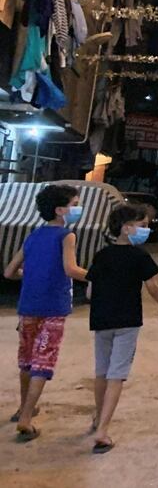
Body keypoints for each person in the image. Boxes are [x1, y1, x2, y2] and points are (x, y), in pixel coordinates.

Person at [3, 184, 87, 442]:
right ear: (61, 210)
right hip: (53, 307)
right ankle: (27, 419)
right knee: (43, 362)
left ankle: (22, 408)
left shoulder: (33, 236)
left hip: (27, 305)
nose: (77, 209)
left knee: (27, 359)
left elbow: (9, 272)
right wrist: (99, 276)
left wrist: (30, 275)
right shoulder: (66, 235)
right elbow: (70, 269)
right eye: (74, 204)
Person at [85, 204, 158, 454]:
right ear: (126, 228)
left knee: (102, 371)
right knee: (116, 375)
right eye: (142, 226)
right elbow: (152, 286)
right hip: (127, 322)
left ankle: (97, 418)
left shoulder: (101, 255)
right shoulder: (139, 256)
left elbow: (90, 291)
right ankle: (102, 430)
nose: (146, 230)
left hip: (101, 321)